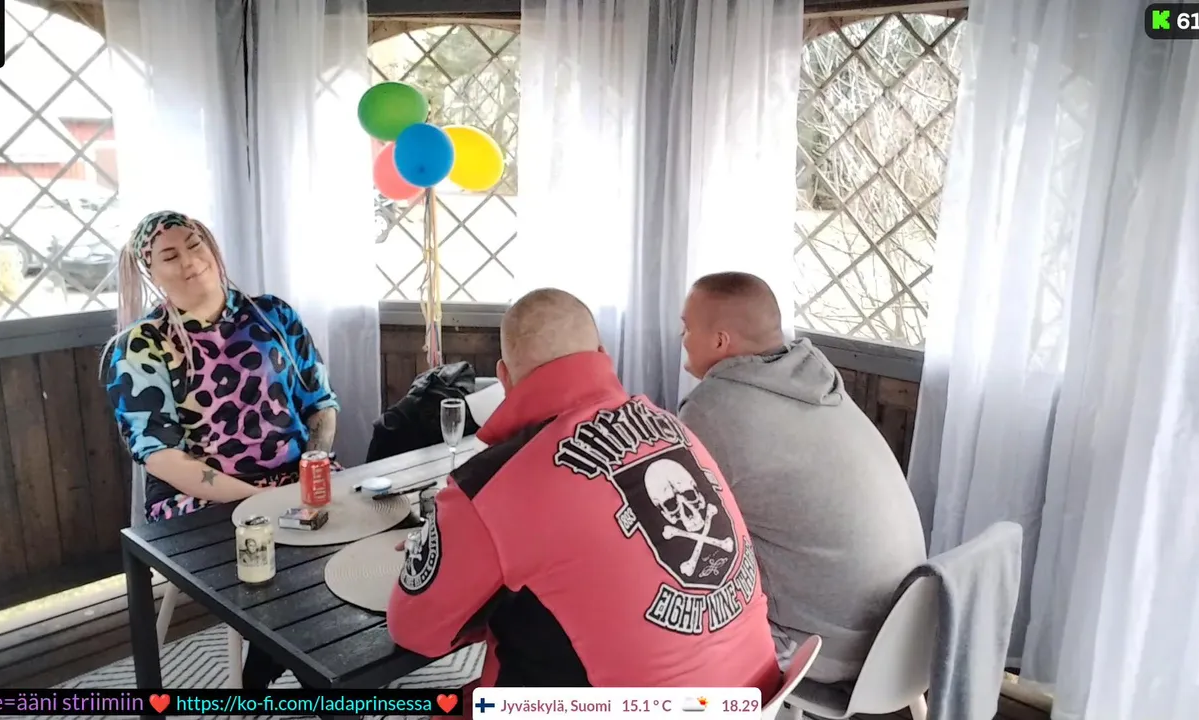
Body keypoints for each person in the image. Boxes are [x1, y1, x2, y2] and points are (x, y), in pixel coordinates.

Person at [387, 288, 781, 696]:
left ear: (504, 377)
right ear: (602, 353)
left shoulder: (491, 483)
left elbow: (415, 628)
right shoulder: (674, 427)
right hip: (757, 696)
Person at [103, 210, 340, 689]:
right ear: (152, 273)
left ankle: (271, 663)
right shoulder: (140, 345)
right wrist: (255, 498)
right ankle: (307, 672)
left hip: (295, 480)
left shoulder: (273, 315)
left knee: (354, 554)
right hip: (202, 501)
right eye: (170, 256)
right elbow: (161, 456)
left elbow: (320, 403)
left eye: (196, 245)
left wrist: (312, 463)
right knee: (290, 571)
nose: (190, 261)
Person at [677, 271, 926, 684]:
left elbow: (684, 531)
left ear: (720, 341)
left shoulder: (713, 408)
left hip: (828, 647)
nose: (682, 338)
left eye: (686, 328)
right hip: (908, 632)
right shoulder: (816, 380)